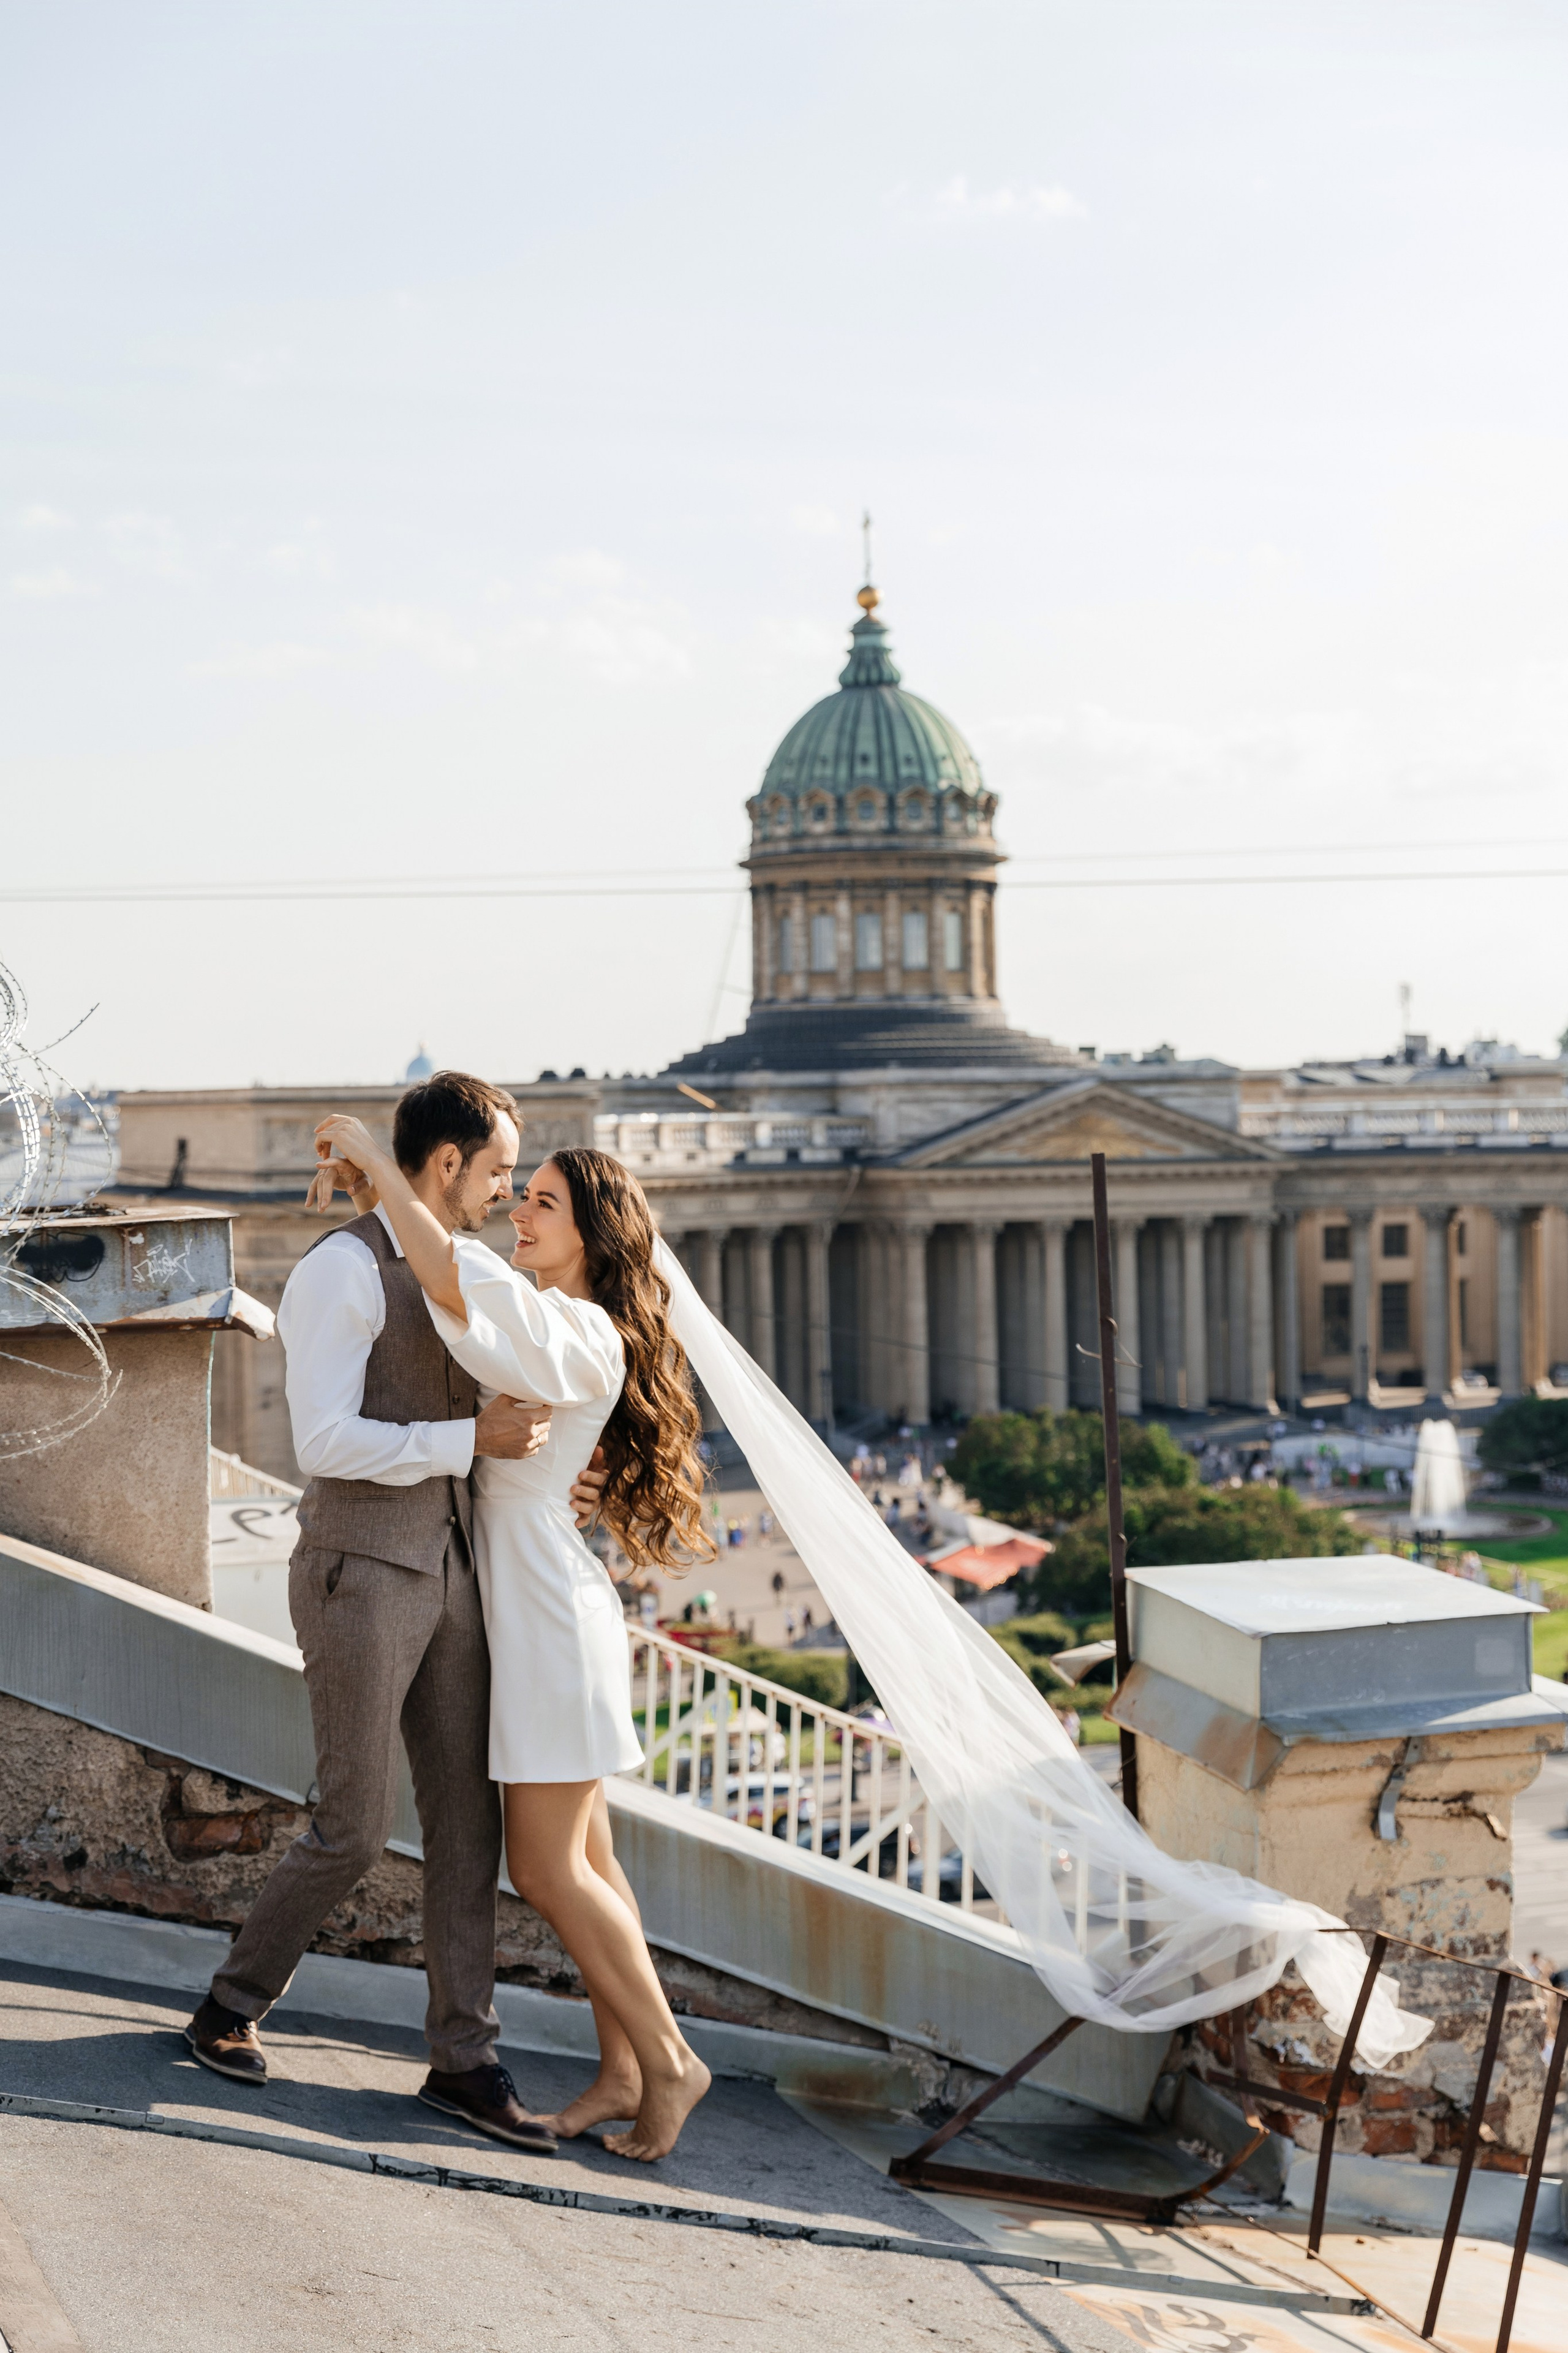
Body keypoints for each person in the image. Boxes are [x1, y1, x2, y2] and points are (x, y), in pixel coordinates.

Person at [183, 1072, 605, 2158]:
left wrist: (564, 1480)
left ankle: (465, 2060)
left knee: (470, 1830)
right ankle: (230, 2004)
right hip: (360, 1567)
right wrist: (468, 1445)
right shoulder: (340, 1268)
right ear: (448, 1163)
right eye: (500, 1168)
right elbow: (319, 1444)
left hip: (455, 1567)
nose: (511, 1192)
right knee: (356, 1823)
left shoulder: (464, 1266)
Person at [309, 1116, 715, 2163]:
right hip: (543, 1604)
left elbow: (450, 1282)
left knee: (544, 1868)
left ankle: (670, 2062)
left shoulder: (578, 1331)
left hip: (542, 1618)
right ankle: (624, 2069)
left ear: (592, 1235)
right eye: (518, 1191)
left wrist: (370, 1151)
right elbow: (462, 1296)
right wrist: (379, 1202)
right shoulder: (557, 1317)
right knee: (590, 1860)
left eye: (543, 1202)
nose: (519, 1211)